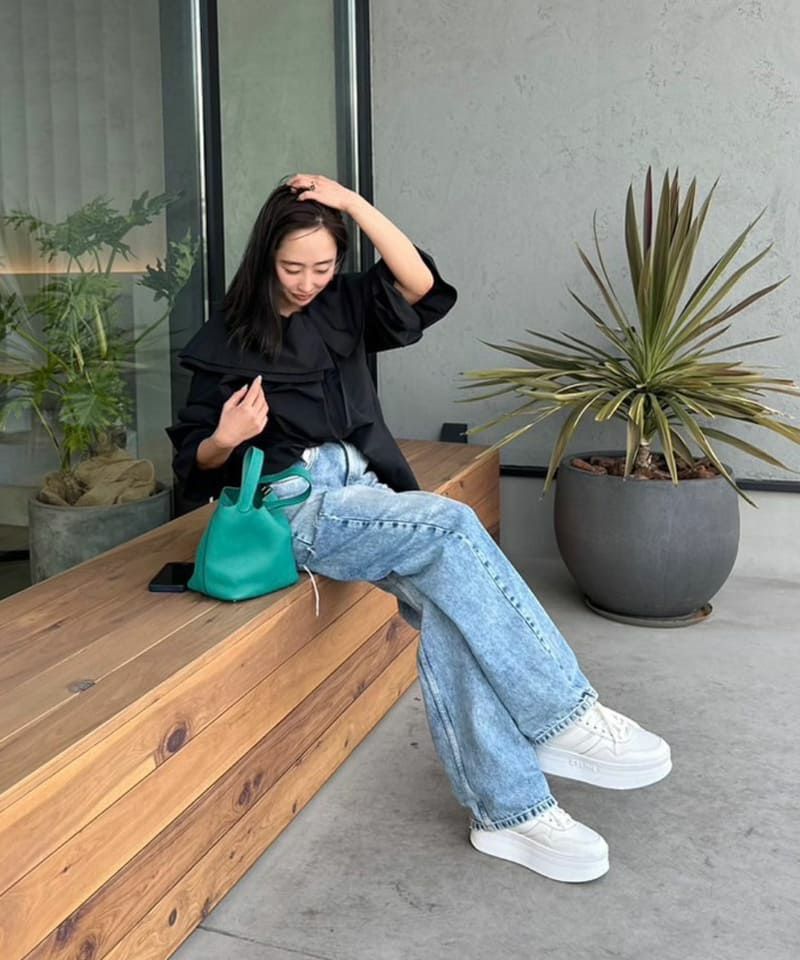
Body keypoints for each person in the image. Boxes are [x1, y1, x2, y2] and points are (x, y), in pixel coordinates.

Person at [168, 175, 672, 884]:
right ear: (265, 260)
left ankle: (512, 813)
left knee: (451, 611)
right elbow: (192, 464)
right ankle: (561, 715)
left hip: (365, 494)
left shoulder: (342, 304)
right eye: (292, 268)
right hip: (295, 507)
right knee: (451, 526)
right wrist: (226, 436)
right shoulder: (229, 334)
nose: (308, 282)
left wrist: (352, 204)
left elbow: (420, 285)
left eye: (322, 266)